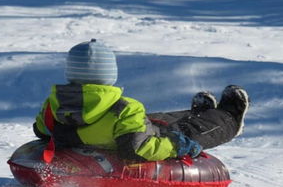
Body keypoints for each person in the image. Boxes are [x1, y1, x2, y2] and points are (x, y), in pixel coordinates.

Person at [33, 39, 250, 162]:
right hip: (126, 142)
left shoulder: (54, 104)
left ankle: (199, 114)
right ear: (110, 74)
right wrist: (176, 145)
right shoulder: (125, 108)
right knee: (185, 132)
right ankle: (229, 119)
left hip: (110, 137)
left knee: (154, 120)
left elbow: (42, 130)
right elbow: (137, 150)